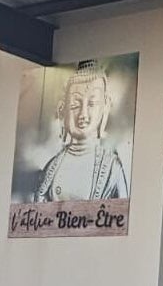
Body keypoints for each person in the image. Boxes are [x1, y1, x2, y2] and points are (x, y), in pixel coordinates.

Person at [35, 60, 128, 202]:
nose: (83, 115)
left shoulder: (112, 168)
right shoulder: (52, 167)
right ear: (62, 110)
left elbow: (123, 213)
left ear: (105, 107)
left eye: (92, 104)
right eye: (74, 105)